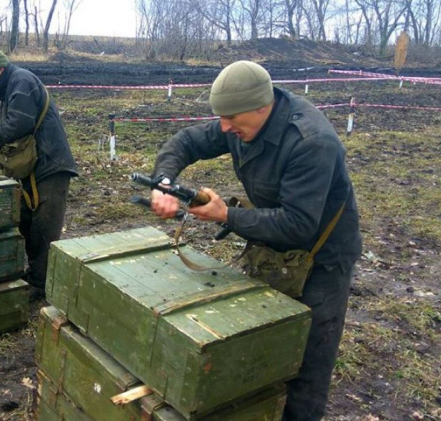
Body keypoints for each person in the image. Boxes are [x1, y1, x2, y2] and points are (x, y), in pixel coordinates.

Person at [150, 60, 361, 420]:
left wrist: (226, 215)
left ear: (263, 107)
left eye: (231, 119)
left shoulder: (311, 142)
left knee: (307, 362)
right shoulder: (237, 121)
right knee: (265, 343)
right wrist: (164, 183)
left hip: (323, 260)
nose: (223, 127)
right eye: (221, 118)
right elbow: (187, 141)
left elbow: (298, 224)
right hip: (273, 248)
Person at [0, 47, 78, 300]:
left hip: (51, 166)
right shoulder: (11, 87)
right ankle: (34, 277)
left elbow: (19, 123)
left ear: (0, 68)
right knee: (28, 224)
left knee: (44, 229)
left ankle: (42, 285)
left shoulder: (21, 81)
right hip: (35, 167)